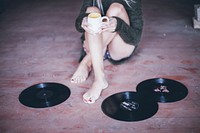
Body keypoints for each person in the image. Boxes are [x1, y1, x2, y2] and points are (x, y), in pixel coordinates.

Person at [71, 0, 143, 104]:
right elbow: (79, 24)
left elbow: (135, 38)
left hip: (119, 48)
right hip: (95, 41)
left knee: (116, 8)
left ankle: (87, 62)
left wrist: (118, 25)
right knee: (91, 11)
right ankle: (100, 79)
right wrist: (83, 21)